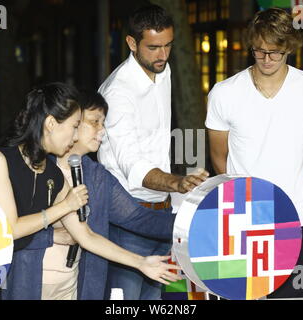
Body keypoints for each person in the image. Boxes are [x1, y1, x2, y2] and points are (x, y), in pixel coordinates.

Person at [0, 82, 180, 300]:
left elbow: (87, 236)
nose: (74, 137)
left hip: (66, 287)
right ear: (51, 123)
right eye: (74, 126)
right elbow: (10, 228)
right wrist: (64, 208)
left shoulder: (54, 173)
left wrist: (141, 262)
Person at [206, 7, 303, 298]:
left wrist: (289, 200)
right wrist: (244, 200)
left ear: (289, 48)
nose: (267, 59)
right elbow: (219, 158)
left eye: (275, 52)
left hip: (296, 222)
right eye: (259, 51)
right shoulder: (224, 92)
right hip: (240, 223)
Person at [98, 5, 209, 300]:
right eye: (153, 47)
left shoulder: (163, 70)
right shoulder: (117, 93)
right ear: (132, 43)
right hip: (126, 215)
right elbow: (132, 165)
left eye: (168, 46)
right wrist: (177, 182)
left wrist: (173, 191)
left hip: (161, 210)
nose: (162, 55)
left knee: (155, 301)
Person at [40, 91, 180, 300]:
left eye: (103, 123)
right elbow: (11, 228)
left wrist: (193, 222)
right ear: (73, 121)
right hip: (34, 281)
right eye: (94, 122)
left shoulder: (97, 176)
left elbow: (138, 218)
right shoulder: (38, 167)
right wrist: (51, 236)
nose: (102, 131)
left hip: (71, 285)